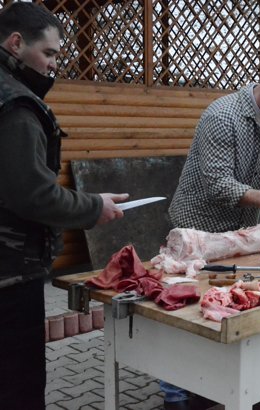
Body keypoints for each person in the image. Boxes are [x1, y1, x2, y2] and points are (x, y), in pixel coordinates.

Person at [0, 3, 129, 409]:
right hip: (9, 275)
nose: (54, 66)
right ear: (16, 43)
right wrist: (93, 207)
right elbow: (32, 194)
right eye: (50, 54)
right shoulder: (16, 107)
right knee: (17, 387)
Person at [164, 59, 260, 409]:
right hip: (196, 228)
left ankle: (214, 383)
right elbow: (216, 181)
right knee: (184, 312)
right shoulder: (222, 115)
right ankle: (176, 393)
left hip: (237, 233)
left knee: (222, 310)